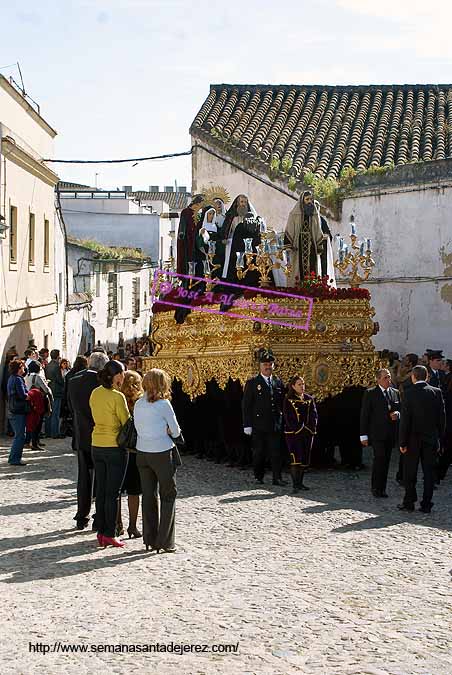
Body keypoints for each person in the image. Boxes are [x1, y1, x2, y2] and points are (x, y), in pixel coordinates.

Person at [134, 368, 181, 553]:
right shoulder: (163, 405)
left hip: (142, 452)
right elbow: (176, 431)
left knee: (148, 496)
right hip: (161, 452)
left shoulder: (138, 404)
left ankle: (150, 538)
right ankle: (165, 540)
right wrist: (167, 431)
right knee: (168, 495)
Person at [89, 360, 130, 547]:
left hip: (97, 444)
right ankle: (109, 532)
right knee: (112, 493)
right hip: (114, 447)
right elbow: (125, 422)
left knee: (102, 491)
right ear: (116, 376)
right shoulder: (117, 397)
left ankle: (101, 531)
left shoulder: (95, 393)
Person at [68, 351, 109, 530]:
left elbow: (70, 407)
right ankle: (98, 517)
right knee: (101, 477)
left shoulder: (74, 380)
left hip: (80, 434)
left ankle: (81, 516)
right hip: (100, 435)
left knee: (83, 477)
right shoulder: (102, 382)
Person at [398, 365, 446, 513]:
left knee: (409, 472)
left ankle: (409, 502)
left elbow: (405, 420)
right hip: (430, 439)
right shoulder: (436, 392)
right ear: (426, 377)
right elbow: (442, 419)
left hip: (412, 440)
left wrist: (402, 442)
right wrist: (440, 440)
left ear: (413, 377)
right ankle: (426, 504)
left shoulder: (409, 393)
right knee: (429, 473)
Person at [242, 348, 286, 486]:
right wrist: (247, 424)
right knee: (259, 453)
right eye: (265, 365)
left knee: (276, 452)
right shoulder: (253, 382)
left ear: (273, 366)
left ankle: (277, 478)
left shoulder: (278, 382)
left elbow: (282, 403)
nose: (268, 367)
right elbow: (246, 405)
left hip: (274, 424)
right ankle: (258, 476)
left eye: (270, 364)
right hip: (258, 424)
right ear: (260, 366)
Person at [360, 368, 400, 498]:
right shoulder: (371, 393)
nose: (388, 380)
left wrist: (397, 414)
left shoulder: (395, 392)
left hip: (390, 433)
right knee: (379, 459)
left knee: (387, 461)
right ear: (378, 379)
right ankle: (376, 488)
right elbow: (365, 415)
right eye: (385, 378)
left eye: (389, 377)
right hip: (377, 434)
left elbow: (400, 409)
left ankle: (382, 488)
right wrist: (363, 435)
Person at [284, 190, 335, 286]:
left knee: (312, 268)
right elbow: (290, 228)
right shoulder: (294, 214)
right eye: (307, 199)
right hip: (298, 247)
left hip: (311, 246)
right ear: (302, 200)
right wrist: (289, 245)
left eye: (311, 199)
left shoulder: (314, 214)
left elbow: (317, 229)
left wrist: (319, 243)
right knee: (298, 269)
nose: (309, 201)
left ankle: (311, 288)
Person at [118, 370, 144, 539]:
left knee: (117, 491)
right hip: (135, 449)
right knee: (134, 491)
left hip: (118, 448)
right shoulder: (141, 402)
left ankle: (117, 523)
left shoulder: (117, 399)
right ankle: (132, 526)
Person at [283, 375, 318, 493]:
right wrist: (299, 429)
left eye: (303, 384)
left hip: (307, 433)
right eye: (299, 384)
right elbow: (289, 417)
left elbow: (314, 415)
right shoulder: (288, 399)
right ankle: (295, 484)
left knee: (304, 459)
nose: (302, 386)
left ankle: (300, 482)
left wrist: (310, 429)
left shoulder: (309, 398)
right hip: (294, 433)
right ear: (293, 386)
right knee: (295, 458)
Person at [221, 194, 257, 280]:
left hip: (247, 245)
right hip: (234, 244)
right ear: (237, 203)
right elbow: (225, 230)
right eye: (241, 202)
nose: (243, 204)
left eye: (245, 202)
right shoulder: (231, 216)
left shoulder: (251, 216)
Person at [6, 359, 29, 466]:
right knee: (20, 436)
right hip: (18, 410)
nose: (24, 369)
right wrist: (30, 395)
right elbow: (23, 395)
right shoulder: (18, 379)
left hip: (12, 409)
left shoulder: (11, 378)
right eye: (23, 367)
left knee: (18, 435)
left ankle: (13, 458)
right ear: (19, 368)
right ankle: (14, 459)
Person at [24, 360, 51, 450]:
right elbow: (46, 390)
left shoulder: (26, 377)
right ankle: (35, 443)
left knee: (30, 422)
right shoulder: (38, 377)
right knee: (38, 422)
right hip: (38, 401)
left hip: (29, 401)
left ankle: (29, 441)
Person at [176, 194, 205, 276]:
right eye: (201, 204)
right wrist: (182, 234)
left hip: (196, 240)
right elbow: (182, 225)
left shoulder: (199, 214)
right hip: (187, 241)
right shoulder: (186, 212)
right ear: (197, 203)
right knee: (188, 261)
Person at [45, 349, 65, 438]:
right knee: (55, 413)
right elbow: (59, 380)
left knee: (49, 412)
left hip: (49, 390)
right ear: (57, 356)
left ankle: (48, 432)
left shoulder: (48, 365)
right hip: (56, 391)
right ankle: (54, 433)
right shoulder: (57, 366)